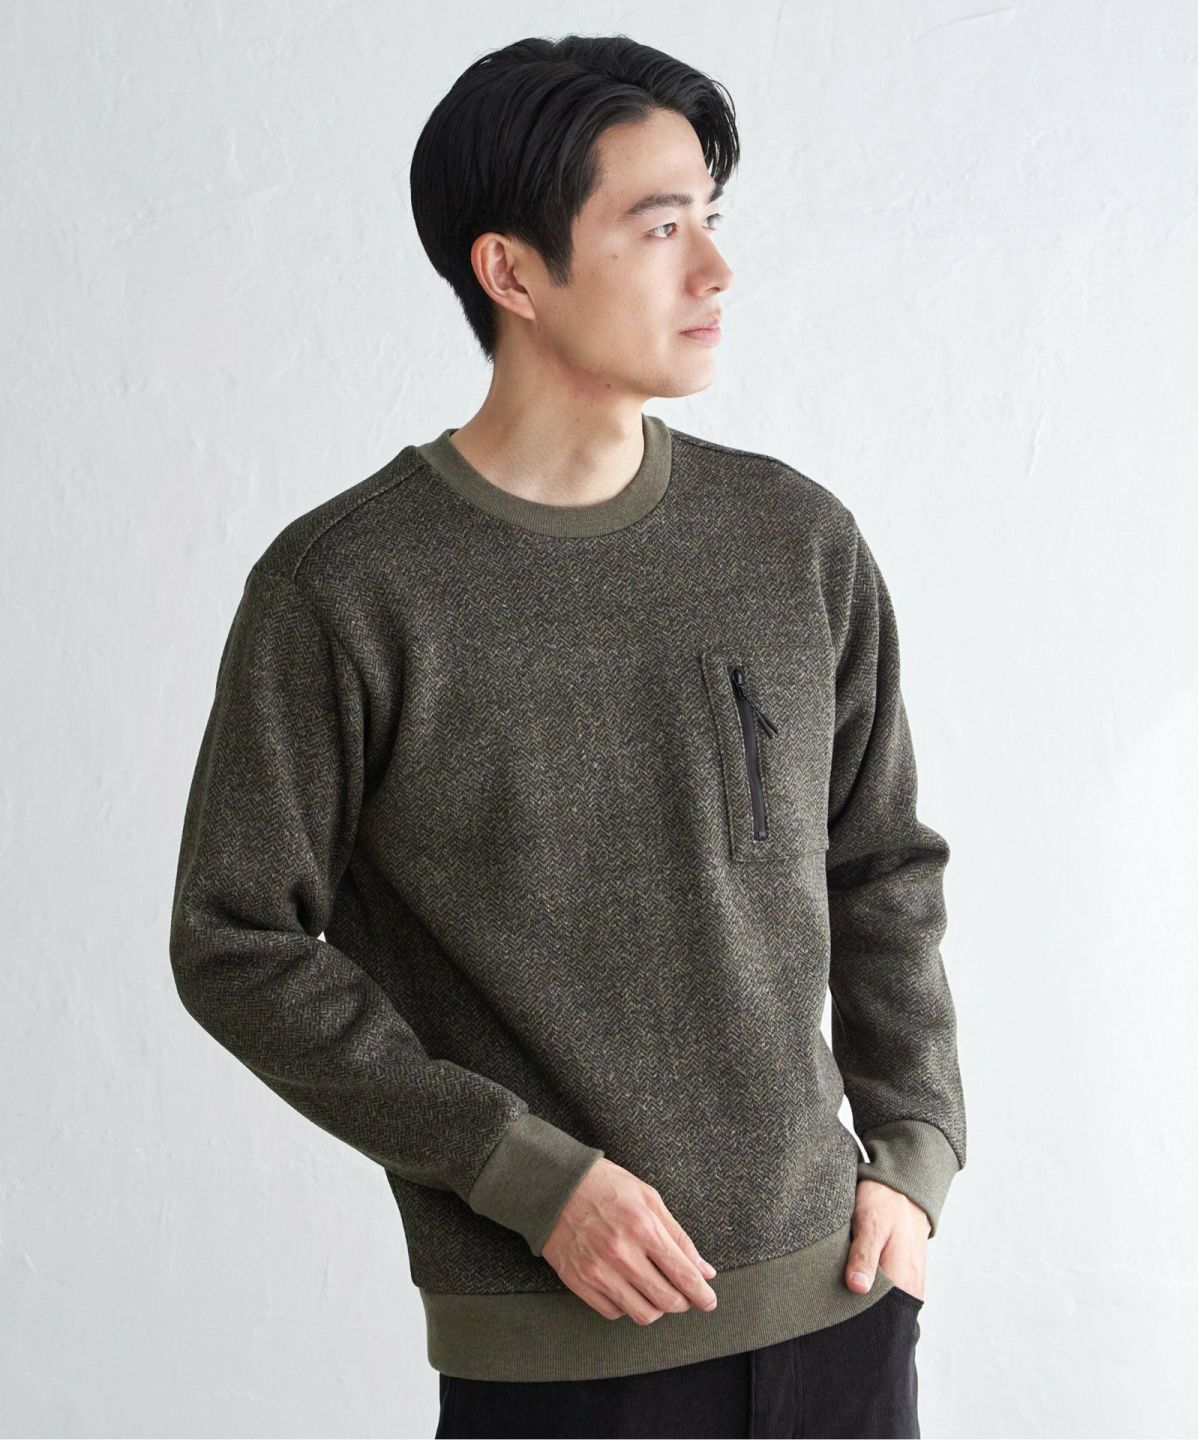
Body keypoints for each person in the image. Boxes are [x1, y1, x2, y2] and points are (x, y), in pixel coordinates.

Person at [169, 32, 967, 1440]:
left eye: (712, 218)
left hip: (840, 1311)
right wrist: (523, 1175)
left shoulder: (793, 539)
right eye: (659, 228)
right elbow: (236, 940)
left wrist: (913, 1153)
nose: (715, 271)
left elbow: (882, 865)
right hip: (561, 1359)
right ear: (512, 271)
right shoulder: (348, 588)